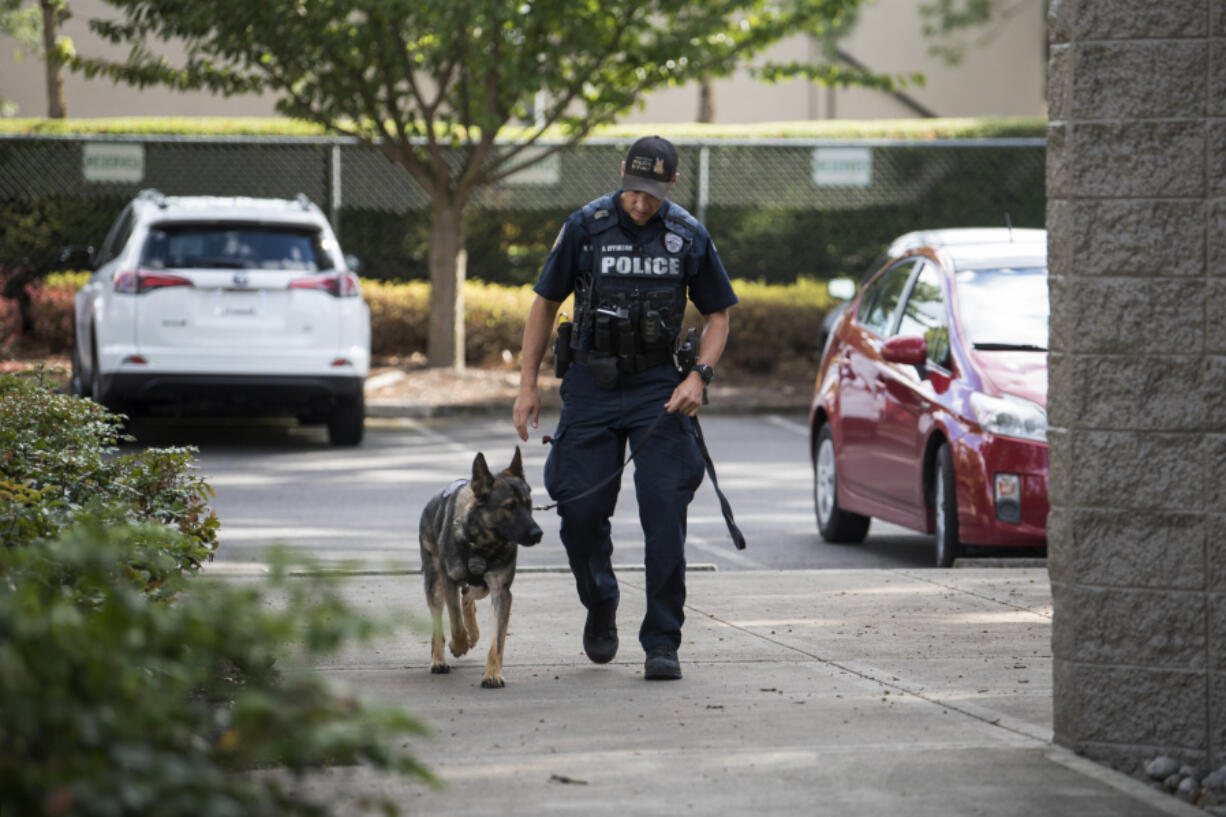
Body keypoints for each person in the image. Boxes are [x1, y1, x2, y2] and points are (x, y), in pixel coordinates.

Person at [512, 135, 738, 681]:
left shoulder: (688, 235)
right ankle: (601, 599)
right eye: (634, 190)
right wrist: (526, 385)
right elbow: (545, 303)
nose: (641, 202)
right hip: (590, 381)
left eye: (653, 193)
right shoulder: (586, 226)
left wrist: (698, 377)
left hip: (658, 388)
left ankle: (663, 640)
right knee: (579, 510)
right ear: (622, 175)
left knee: (665, 518)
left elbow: (719, 316)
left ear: (672, 186)